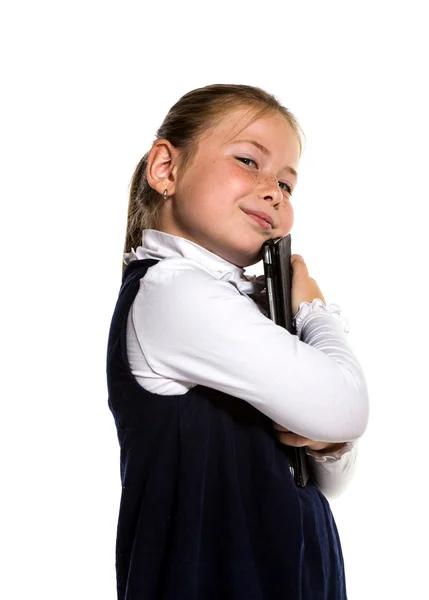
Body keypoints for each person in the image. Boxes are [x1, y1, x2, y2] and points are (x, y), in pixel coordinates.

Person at [106, 83, 369, 599]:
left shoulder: (242, 310)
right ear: (166, 169)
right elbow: (346, 410)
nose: (274, 190)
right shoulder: (174, 290)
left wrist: (328, 437)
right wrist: (314, 308)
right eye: (249, 160)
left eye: (288, 185)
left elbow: (330, 478)